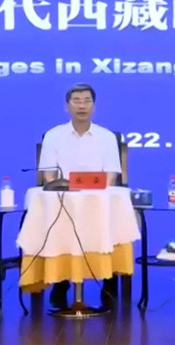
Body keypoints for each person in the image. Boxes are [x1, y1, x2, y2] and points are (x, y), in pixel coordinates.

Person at [38, 83, 122, 308]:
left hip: (98, 202)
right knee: (57, 220)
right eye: (76, 101)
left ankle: (109, 280)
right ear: (67, 106)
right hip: (63, 202)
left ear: (94, 106)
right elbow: (48, 175)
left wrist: (92, 196)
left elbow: (111, 176)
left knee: (110, 219)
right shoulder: (53, 136)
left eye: (87, 101)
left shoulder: (107, 137)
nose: (82, 106)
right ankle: (61, 281)